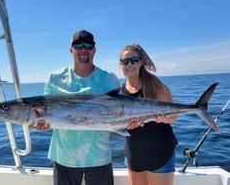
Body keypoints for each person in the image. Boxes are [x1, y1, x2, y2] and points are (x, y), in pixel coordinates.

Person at [30, 30, 121, 185]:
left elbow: (121, 111)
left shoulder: (109, 78)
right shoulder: (55, 78)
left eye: (88, 45)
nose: (83, 49)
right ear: (71, 49)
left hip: (99, 156)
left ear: (94, 50)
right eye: (78, 45)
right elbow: (45, 120)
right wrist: (40, 126)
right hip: (64, 157)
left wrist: (131, 122)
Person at [119, 44, 178, 185]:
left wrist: (161, 118)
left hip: (160, 152)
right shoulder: (120, 91)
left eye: (134, 60)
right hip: (135, 153)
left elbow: (173, 117)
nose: (130, 64)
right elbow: (120, 123)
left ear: (141, 62)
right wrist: (128, 125)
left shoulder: (156, 86)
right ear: (120, 64)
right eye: (125, 61)